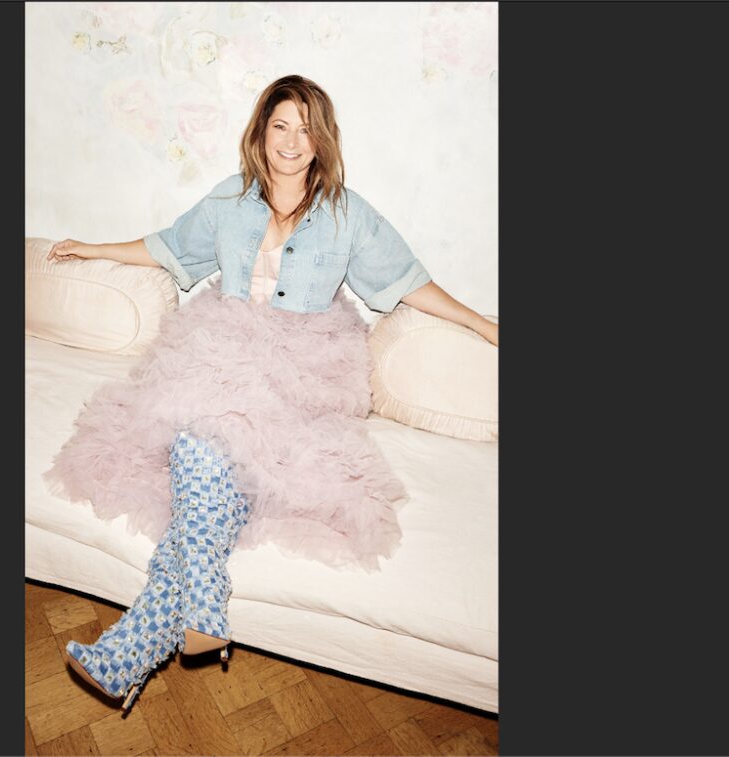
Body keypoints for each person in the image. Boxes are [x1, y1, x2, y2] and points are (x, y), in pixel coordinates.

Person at [44, 75, 498, 710]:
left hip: (300, 368)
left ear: (322, 141)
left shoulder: (347, 211)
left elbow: (404, 280)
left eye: (306, 128)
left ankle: (143, 643)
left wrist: (482, 322)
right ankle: (183, 622)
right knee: (201, 448)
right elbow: (171, 248)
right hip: (219, 348)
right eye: (281, 125)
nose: (292, 140)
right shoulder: (229, 199)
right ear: (261, 132)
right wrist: (90, 246)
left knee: (218, 459)